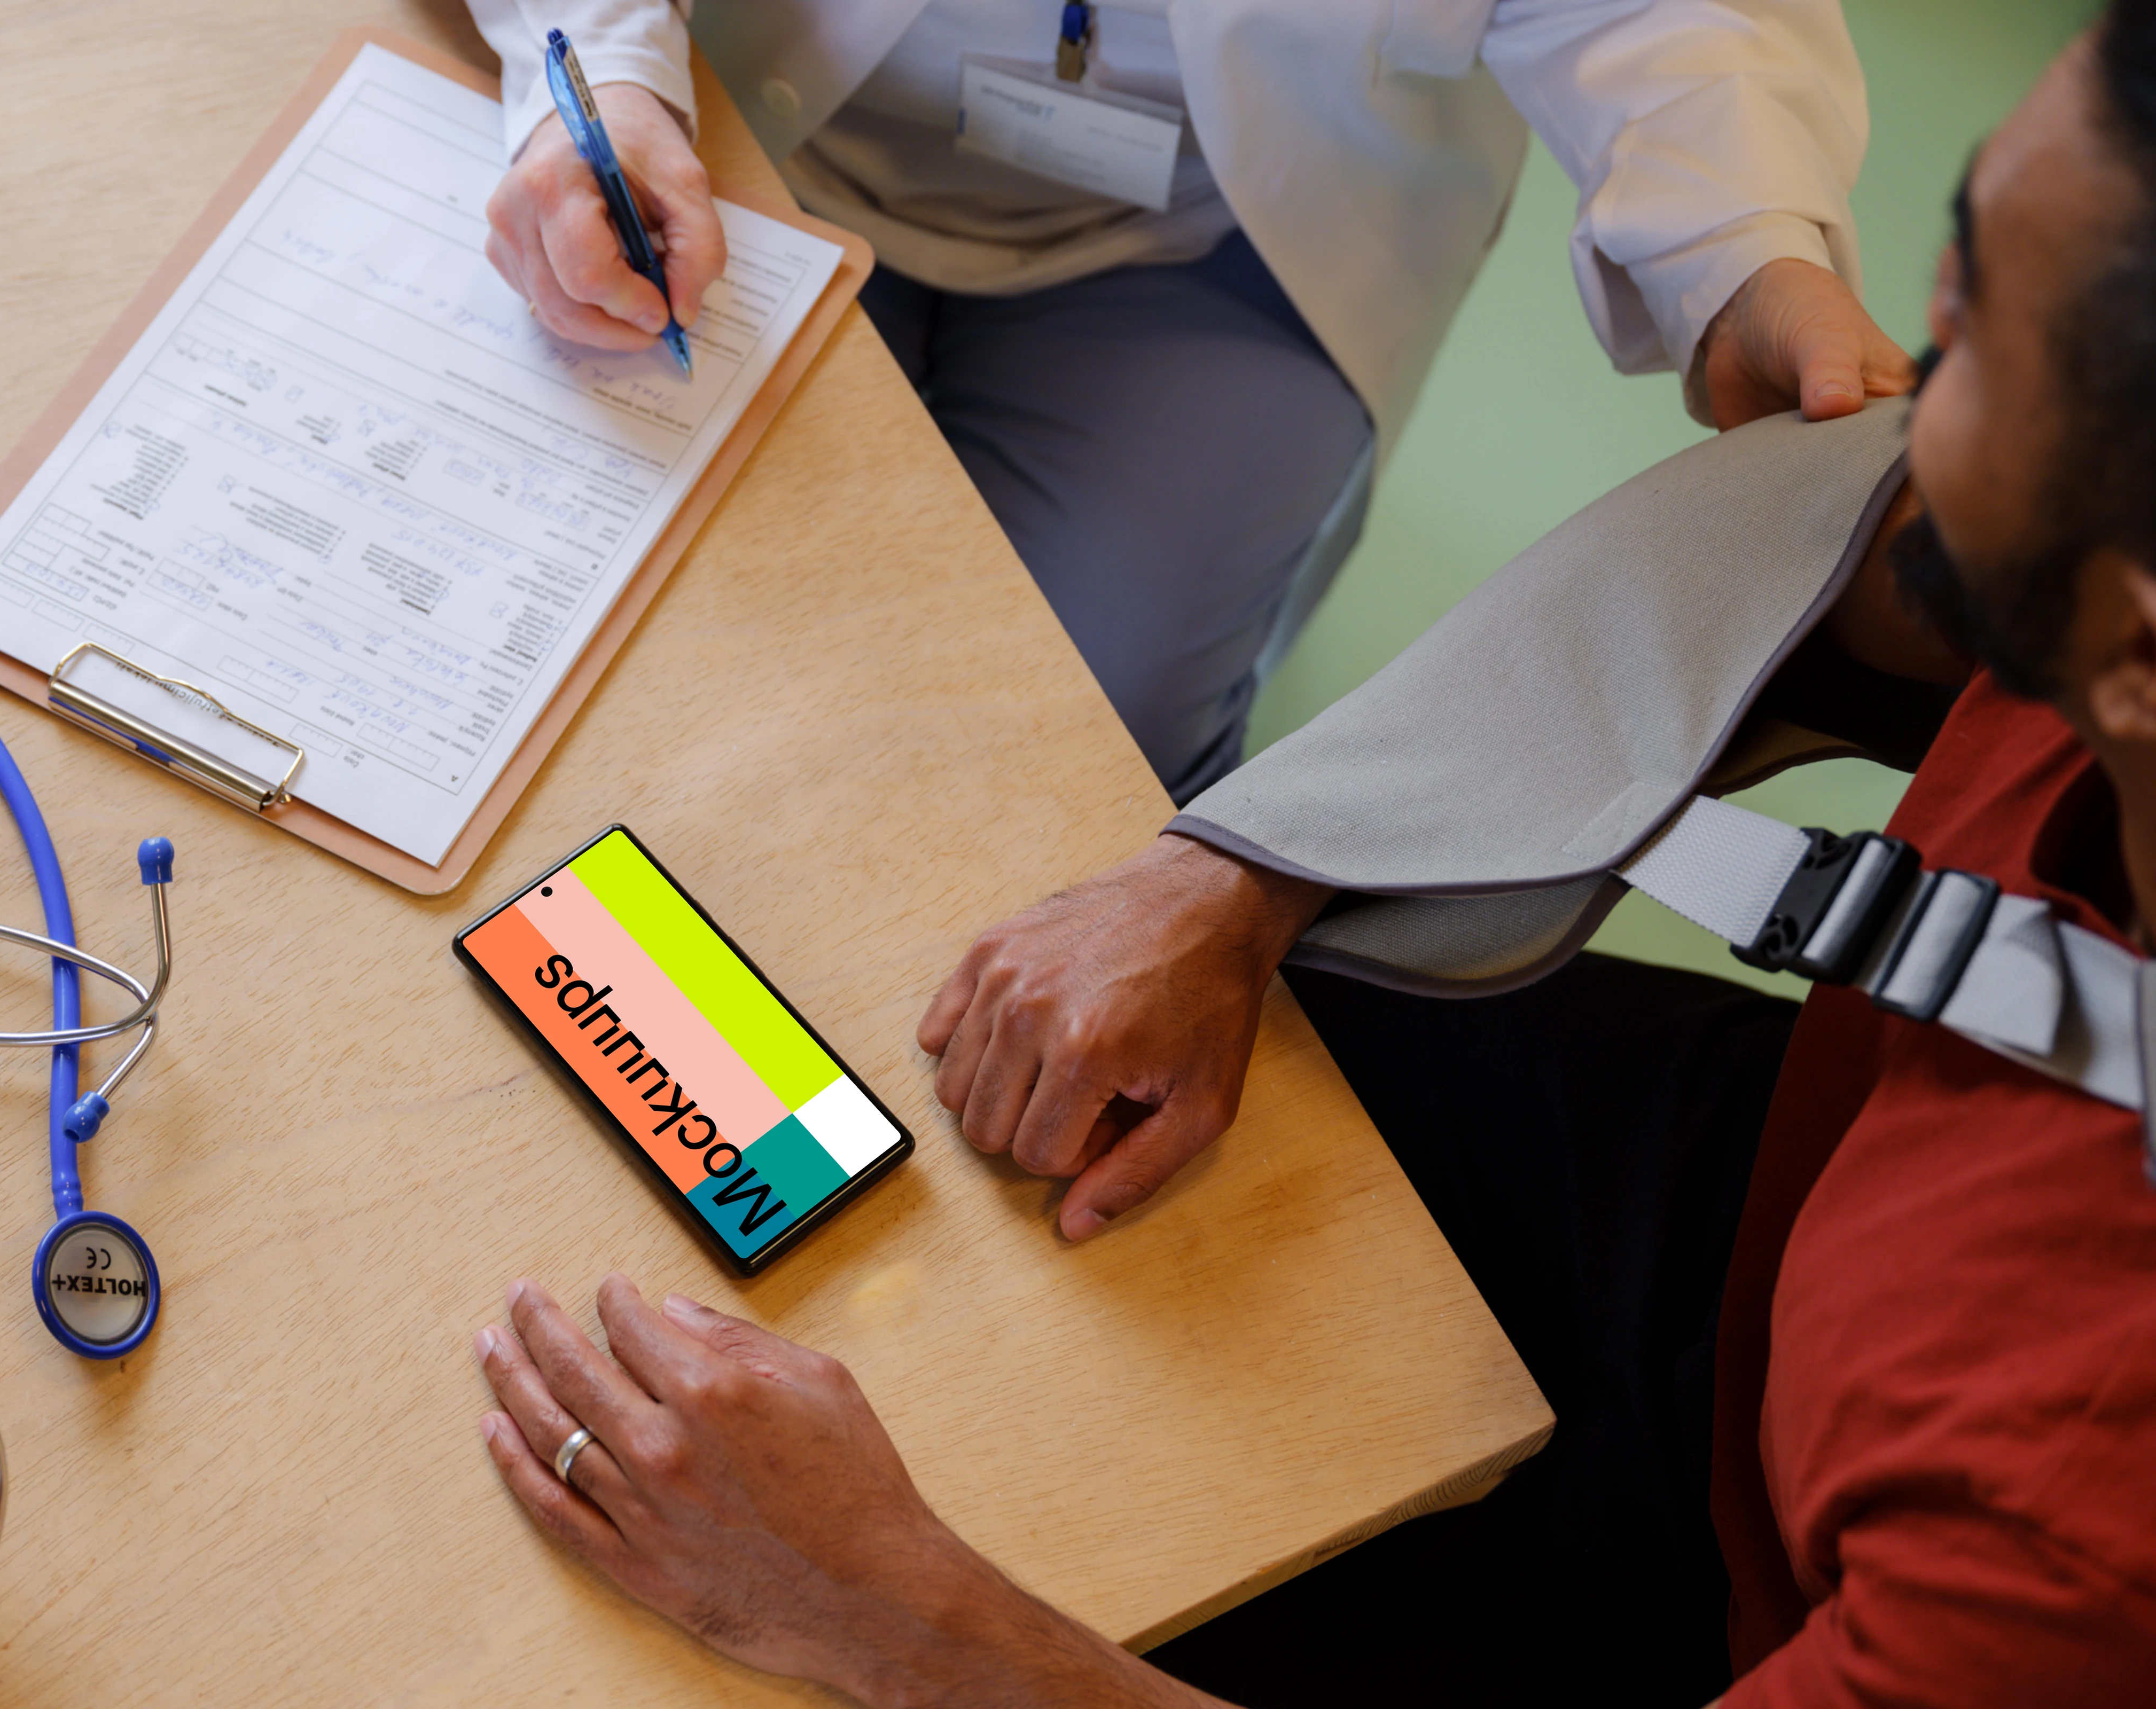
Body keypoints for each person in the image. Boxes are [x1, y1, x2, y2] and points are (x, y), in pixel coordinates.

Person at [467, 6, 2156, 1703]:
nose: (1915, 363)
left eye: (1985, 333)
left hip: (1731, 1580)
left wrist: (895, 1611)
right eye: (1961, 249)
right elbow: (1808, 547)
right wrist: (1241, 874)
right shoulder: (2098, 573)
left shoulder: (2068, 1541)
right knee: (1026, 1050)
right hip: (1786, 1164)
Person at [463, 0, 1915, 803]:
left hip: (1232, 226)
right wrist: (597, 70)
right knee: (593, 616)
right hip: (739, 120)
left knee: (1080, 768)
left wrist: (1749, 254)